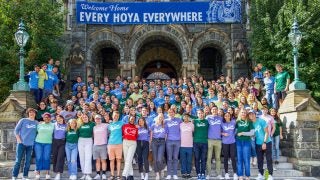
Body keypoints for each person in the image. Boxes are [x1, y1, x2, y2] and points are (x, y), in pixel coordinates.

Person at [12, 108, 38, 180]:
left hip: (30, 145)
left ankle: (25, 176)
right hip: (21, 144)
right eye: (30, 112)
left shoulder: (36, 122)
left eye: (33, 112)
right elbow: (16, 130)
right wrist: (18, 139)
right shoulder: (23, 120)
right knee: (18, 161)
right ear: (28, 113)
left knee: (28, 161)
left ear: (35, 114)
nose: (32, 113)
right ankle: (14, 176)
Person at [249, 111, 274, 180]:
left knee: (269, 159)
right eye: (250, 114)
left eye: (252, 114)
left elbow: (267, 132)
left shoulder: (261, 121)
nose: (251, 115)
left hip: (267, 142)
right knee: (260, 160)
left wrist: (264, 142)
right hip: (258, 143)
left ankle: (270, 175)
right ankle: (260, 174)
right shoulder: (251, 124)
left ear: (255, 114)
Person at [34, 112, 55, 180]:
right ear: (43, 118)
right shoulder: (39, 125)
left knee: (46, 158)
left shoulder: (53, 125)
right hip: (38, 143)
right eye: (45, 117)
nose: (47, 118)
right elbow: (35, 132)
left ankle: (47, 173)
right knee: (39, 158)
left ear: (50, 118)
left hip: (48, 143)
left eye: (48, 117)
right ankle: (38, 173)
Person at [236, 109, 254, 180]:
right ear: (240, 113)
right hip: (238, 142)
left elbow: (252, 133)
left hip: (246, 142)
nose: (243, 114)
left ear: (246, 114)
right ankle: (240, 175)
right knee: (239, 159)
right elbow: (235, 132)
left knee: (246, 159)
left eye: (244, 112)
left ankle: (247, 175)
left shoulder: (249, 122)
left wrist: (243, 133)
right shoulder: (237, 122)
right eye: (242, 112)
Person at [206, 106, 223, 179]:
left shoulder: (221, 118)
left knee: (218, 158)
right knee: (209, 158)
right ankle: (208, 174)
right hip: (210, 140)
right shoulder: (208, 118)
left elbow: (223, 128)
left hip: (218, 140)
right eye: (213, 109)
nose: (214, 110)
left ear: (217, 110)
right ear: (211, 110)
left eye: (216, 109)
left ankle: (218, 174)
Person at [165, 108, 182, 180]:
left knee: (175, 158)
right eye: (170, 112)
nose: (171, 113)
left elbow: (182, 129)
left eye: (172, 112)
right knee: (169, 158)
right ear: (168, 113)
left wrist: (181, 139)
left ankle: (175, 174)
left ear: (174, 113)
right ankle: (169, 174)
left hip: (177, 141)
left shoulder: (179, 120)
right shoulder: (166, 121)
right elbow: (165, 132)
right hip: (169, 141)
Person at [78, 113, 95, 180]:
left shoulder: (92, 124)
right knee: (82, 157)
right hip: (81, 140)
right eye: (83, 117)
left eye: (86, 117)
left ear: (88, 117)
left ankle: (88, 174)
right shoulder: (80, 125)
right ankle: (84, 174)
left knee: (88, 157)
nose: (84, 118)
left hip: (89, 140)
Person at [108, 111, 124, 179]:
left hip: (119, 144)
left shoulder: (122, 123)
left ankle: (118, 175)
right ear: (112, 116)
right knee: (111, 160)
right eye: (115, 115)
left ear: (118, 116)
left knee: (118, 160)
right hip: (110, 144)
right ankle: (112, 175)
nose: (116, 117)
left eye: (117, 116)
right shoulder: (109, 125)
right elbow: (109, 134)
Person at [221, 112, 238, 180]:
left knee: (233, 157)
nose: (227, 117)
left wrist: (234, 134)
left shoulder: (233, 122)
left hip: (232, 142)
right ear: (224, 117)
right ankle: (226, 173)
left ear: (230, 116)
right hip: (225, 142)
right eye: (225, 116)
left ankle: (235, 173)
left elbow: (236, 129)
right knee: (225, 158)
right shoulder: (222, 123)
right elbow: (218, 131)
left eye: (228, 115)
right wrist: (223, 133)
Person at [193, 109, 209, 180]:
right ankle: (198, 174)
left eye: (202, 113)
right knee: (197, 158)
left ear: (204, 114)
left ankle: (203, 173)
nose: (200, 114)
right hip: (196, 142)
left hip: (204, 142)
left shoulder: (207, 121)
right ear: (197, 114)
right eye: (199, 113)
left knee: (203, 159)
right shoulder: (194, 121)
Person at [92, 114, 109, 180]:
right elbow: (93, 136)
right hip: (95, 145)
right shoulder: (94, 127)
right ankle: (98, 174)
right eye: (96, 118)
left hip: (103, 145)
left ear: (101, 119)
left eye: (99, 118)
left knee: (103, 160)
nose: (98, 119)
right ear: (95, 120)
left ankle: (104, 174)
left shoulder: (106, 125)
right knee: (97, 161)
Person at [151, 113, 166, 180]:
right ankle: (157, 173)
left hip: (162, 142)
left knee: (159, 159)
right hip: (154, 141)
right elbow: (151, 135)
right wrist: (150, 143)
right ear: (157, 117)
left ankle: (162, 169)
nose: (160, 118)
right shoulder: (153, 125)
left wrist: (165, 141)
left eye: (162, 117)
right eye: (159, 117)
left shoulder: (165, 125)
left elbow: (166, 135)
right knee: (155, 159)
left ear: (163, 118)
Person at [122, 116, 138, 180]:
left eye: (133, 119)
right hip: (125, 142)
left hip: (133, 143)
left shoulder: (136, 127)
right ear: (129, 119)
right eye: (131, 119)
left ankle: (124, 175)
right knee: (127, 159)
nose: (132, 120)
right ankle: (130, 175)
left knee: (129, 158)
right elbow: (122, 134)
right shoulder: (124, 126)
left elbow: (136, 136)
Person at [52, 114, 67, 180]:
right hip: (55, 142)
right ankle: (55, 170)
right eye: (57, 118)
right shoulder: (54, 124)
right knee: (55, 157)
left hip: (62, 142)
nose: (59, 119)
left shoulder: (66, 125)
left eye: (60, 118)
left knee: (60, 157)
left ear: (63, 119)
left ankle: (58, 173)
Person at [179, 114, 194, 179]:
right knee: (183, 160)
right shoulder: (180, 125)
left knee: (189, 160)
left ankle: (188, 173)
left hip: (190, 145)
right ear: (183, 117)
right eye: (185, 116)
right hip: (182, 145)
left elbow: (193, 132)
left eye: (187, 116)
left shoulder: (192, 125)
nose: (186, 117)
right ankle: (183, 173)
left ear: (189, 117)